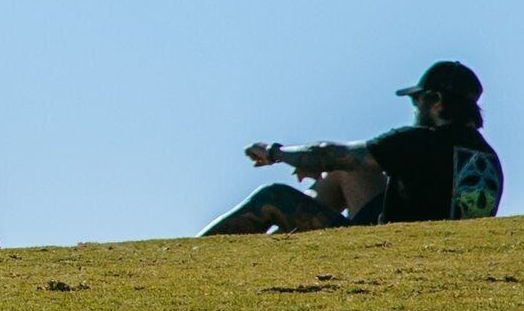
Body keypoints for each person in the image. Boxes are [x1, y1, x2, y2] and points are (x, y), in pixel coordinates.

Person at [204, 60, 503, 234]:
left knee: (273, 197)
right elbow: (343, 163)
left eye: (417, 100)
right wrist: (324, 165)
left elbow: (328, 153)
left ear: (436, 101)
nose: (413, 109)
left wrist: (275, 153)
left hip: (390, 249)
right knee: (346, 171)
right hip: (429, 242)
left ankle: (190, 258)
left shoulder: (418, 141)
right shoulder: (489, 158)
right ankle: (278, 252)